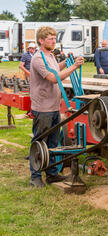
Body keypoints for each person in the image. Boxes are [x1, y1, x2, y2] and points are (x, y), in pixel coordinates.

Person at [29, 26, 85, 188]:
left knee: (53, 143)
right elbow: (53, 78)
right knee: (40, 142)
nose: (54, 41)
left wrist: (68, 63)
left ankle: (52, 174)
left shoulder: (50, 56)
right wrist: (73, 67)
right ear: (41, 40)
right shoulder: (38, 58)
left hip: (53, 106)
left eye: (54, 38)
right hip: (42, 107)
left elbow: (55, 69)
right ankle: (35, 177)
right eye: (50, 39)